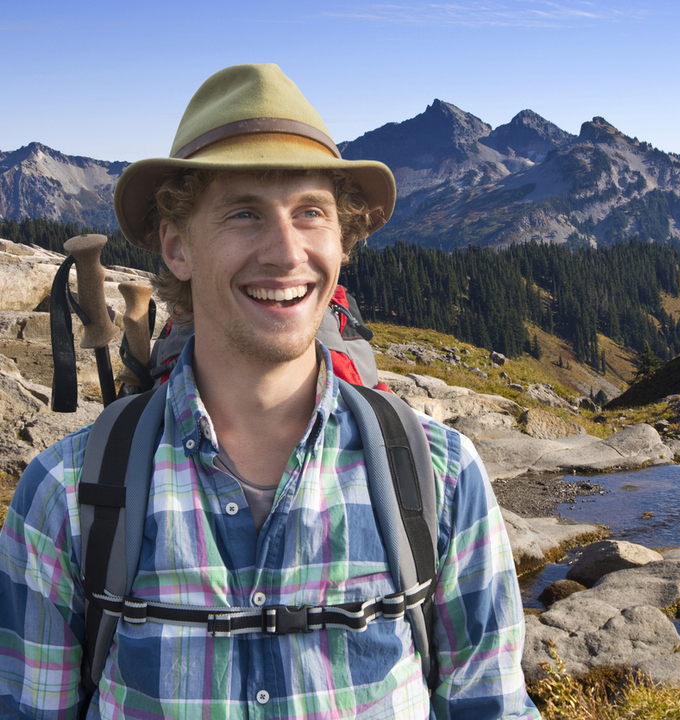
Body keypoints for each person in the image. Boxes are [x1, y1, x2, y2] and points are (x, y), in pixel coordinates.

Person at [0, 64, 540, 719]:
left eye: (310, 213)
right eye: (244, 213)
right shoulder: (64, 494)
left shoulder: (440, 478)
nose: (286, 252)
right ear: (176, 246)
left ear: (341, 240)